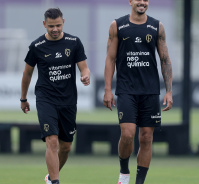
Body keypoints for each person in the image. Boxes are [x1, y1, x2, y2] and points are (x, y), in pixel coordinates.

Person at [103, 0, 173, 183]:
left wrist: (169, 91)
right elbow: (110, 59)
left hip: (150, 91)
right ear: (130, 2)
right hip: (126, 89)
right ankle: (124, 172)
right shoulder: (117, 25)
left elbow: (165, 59)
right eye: (138, 0)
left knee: (147, 137)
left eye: (145, 0)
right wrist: (107, 89)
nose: (142, 3)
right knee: (127, 135)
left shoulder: (157, 26)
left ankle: (139, 181)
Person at [20, 8, 90, 184]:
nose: (55, 29)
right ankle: (55, 182)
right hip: (46, 99)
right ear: (44, 24)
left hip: (68, 101)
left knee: (65, 147)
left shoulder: (74, 42)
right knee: (52, 141)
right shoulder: (36, 46)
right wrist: (23, 99)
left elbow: (84, 66)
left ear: (63, 22)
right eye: (51, 26)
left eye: (58, 25)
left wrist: (85, 74)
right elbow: (27, 74)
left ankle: (51, 177)